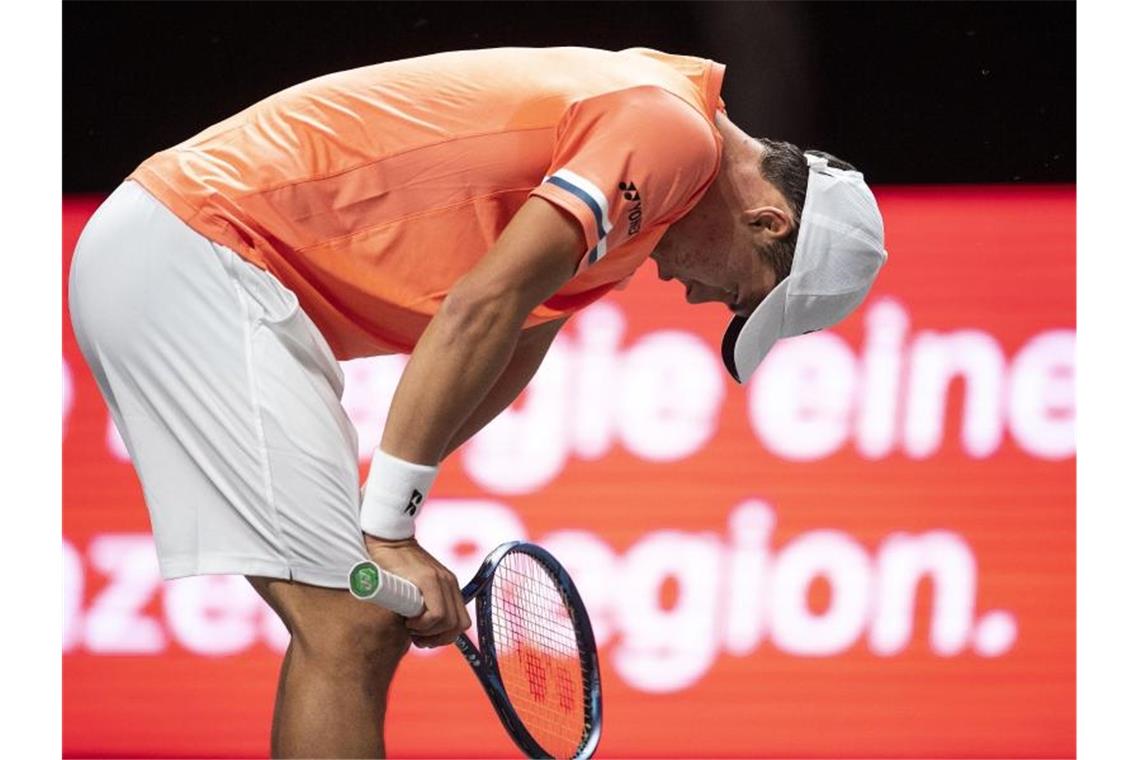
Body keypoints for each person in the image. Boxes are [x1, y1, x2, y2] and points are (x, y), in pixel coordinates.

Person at [68, 46, 885, 757]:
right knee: (348, 628)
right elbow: (479, 307)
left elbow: (511, 343)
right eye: (738, 293)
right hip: (201, 253)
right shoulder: (670, 134)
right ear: (767, 220)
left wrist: (387, 525)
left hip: (221, 273)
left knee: (360, 622)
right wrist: (388, 529)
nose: (698, 296)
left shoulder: (642, 201)